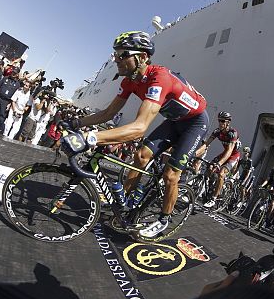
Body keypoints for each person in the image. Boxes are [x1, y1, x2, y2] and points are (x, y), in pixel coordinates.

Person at [67, 31, 208, 238]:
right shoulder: (129, 81)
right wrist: (76, 122)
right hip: (175, 122)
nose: (117, 59)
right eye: (116, 54)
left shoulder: (159, 78)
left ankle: (163, 219)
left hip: (195, 123)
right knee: (141, 155)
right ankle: (125, 202)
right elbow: (108, 113)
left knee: (171, 175)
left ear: (142, 57)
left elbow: (140, 128)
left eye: (123, 54)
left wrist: (90, 138)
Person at [195, 111, 241, 209]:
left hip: (233, 155)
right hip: (225, 153)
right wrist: (194, 154)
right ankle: (209, 189)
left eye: (223, 121)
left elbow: (229, 151)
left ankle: (214, 199)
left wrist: (219, 163)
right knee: (209, 167)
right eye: (219, 120)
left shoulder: (233, 133)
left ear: (228, 122)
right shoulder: (217, 131)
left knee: (221, 173)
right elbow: (206, 144)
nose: (220, 123)